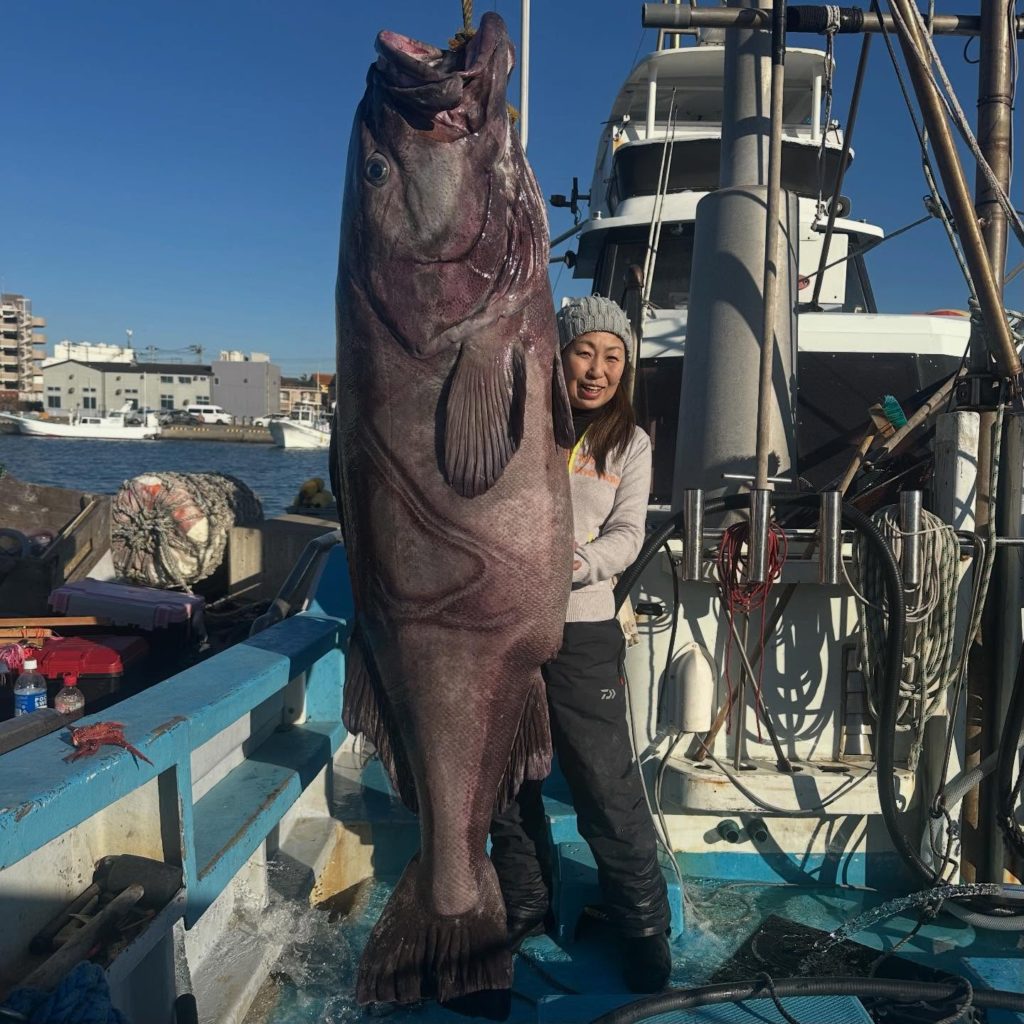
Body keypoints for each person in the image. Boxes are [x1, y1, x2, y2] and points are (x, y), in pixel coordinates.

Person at [490, 295, 672, 993]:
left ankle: (642, 924)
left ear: (626, 368)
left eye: (612, 357)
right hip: (505, 624)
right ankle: (525, 900)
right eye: (584, 352)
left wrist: (576, 564)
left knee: (603, 780)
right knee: (508, 776)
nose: (597, 370)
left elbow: (626, 535)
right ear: (558, 357)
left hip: (584, 625)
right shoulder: (519, 427)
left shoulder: (630, 444)